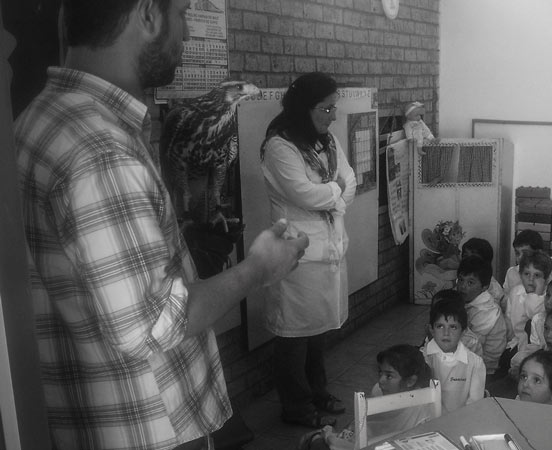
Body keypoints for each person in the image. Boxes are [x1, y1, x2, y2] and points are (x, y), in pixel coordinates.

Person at [13, 1, 309, 448]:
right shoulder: (102, 151)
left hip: (95, 420)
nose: (186, 33)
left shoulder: (41, 118)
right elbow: (154, 324)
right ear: (149, 14)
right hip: (148, 429)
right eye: (183, 14)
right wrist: (258, 267)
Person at [260, 71, 357, 428]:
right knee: (293, 335)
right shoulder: (280, 146)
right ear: (304, 107)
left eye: (334, 107)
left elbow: (351, 181)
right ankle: (296, 406)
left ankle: (318, 391)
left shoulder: (326, 141)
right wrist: (335, 191)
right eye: (326, 109)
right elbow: (304, 194)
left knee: (317, 331)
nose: (333, 116)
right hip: (295, 254)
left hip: (328, 250)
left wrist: (333, 193)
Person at [298, 344, 434, 450]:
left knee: (318, 442)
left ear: (410, 381)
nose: (381, 380)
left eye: (389, 376)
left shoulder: (422, 405)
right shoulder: (378, 391)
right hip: (365, 442)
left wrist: (331, 438)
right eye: (380, 373)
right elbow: (361, 423)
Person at [423, 296, 486, 413]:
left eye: (453, 327)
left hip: (461, 421)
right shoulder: (423, 358)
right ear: (431, 329)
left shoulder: (475, 363)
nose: (446, 333)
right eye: (440, 326)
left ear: (463, 332)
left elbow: (474, 404)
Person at [457, 256, 507, 376]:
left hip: (485, 367)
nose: (463, 286)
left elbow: (471, 346)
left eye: (470, 282)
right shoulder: (468, 300)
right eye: (461, 280)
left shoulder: (487, 312)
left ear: (485, 287)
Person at [502, 250, 549, 365]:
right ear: (520, 275)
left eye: (537, 275)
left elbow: (532, 314)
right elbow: (508, 318)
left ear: (546, 279)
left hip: (537, 347)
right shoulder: (515, 291)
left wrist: (536, 293)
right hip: (515, 342)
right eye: (526, 274)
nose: (531, 279)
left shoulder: (547, 298)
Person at [461, 237, 504, 306]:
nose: (468, 261)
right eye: (465, 256)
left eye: (474, 258)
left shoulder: (494, 291)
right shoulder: (459, 278)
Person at [503, 230, 545, 297]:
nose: (520, 257)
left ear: (539, 253)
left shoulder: (546, 274)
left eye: (525, 253)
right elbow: (507, 297)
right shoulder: (512, 272)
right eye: (517, 253)